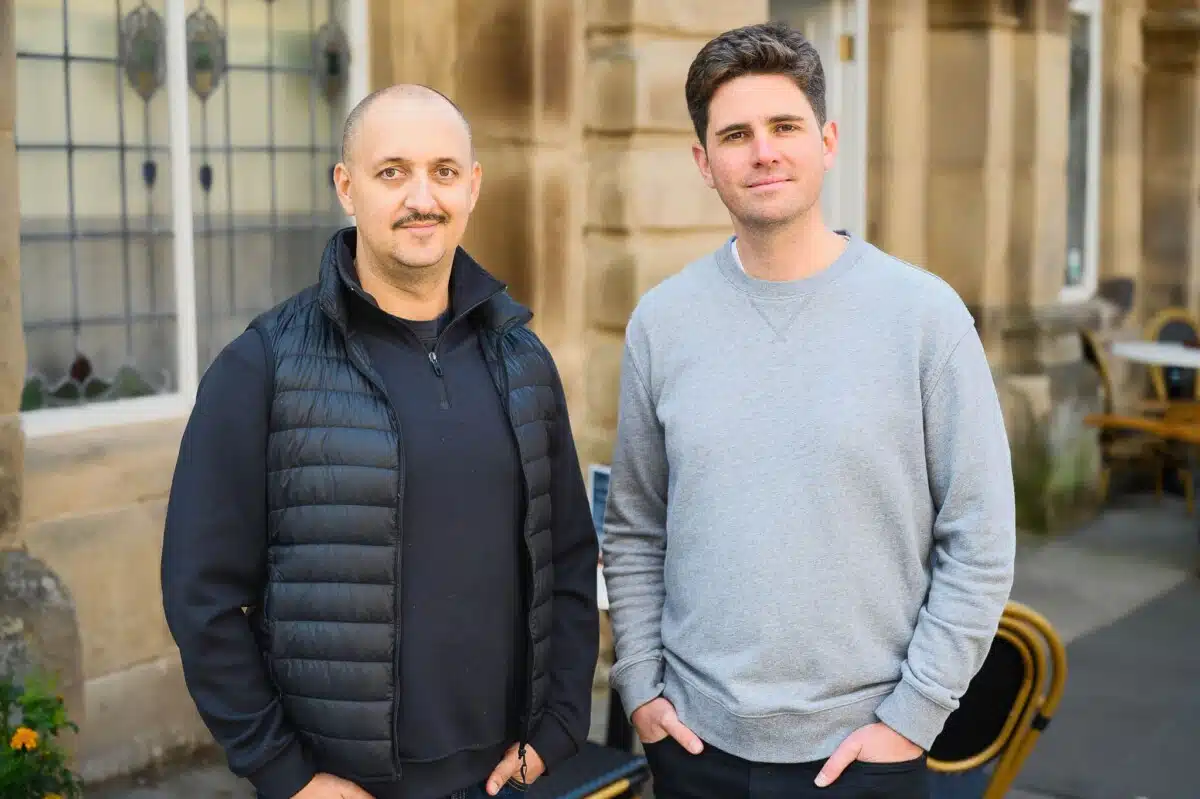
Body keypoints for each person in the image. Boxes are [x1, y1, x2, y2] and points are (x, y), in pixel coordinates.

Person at [600, 21, 1016, 799]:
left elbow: (981, 539)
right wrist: (642, 687)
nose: (763, 151)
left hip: (865, 753)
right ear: (704, 162)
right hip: (693, 745)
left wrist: (913, 717)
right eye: (735, 135)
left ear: (827, 141)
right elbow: (635, 525)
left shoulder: (923, 318)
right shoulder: (662, 323)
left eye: (785, 126)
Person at [161, 84, 599, 799]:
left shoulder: (523, 360)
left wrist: (559, 728)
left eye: (443, 172)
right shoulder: (264, 365)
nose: (421, 198)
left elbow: (570, 558)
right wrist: (286, 773)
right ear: (346, 186)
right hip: (342, 786)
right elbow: (200, 592)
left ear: (472, 186)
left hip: (503, 779)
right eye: (392, 171)